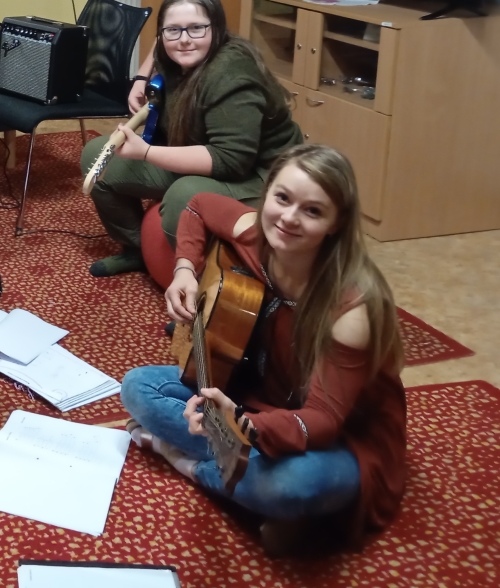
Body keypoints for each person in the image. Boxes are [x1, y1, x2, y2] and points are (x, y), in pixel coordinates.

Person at [120, 144, 406, 550]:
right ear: (267, 193)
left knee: (292, 484)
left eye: (312, 211)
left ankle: (188, 463)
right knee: (137, 386)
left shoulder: (352, 307)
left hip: (338, 437)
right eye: (282, 198)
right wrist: (184, 269)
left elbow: (324, 419)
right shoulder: (254, 231)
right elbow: (198, 206)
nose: (288, 218)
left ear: (337, 223)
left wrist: (243, 426)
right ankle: (243, 480)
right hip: (250, 391)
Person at [81, 0, 301, 277]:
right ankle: (139, 250)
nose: (184, 40)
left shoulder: (232, 73)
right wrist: (140, 79)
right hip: (205, 150)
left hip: (262, 174)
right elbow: (162, 43)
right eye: (173, 30)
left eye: (196, 28)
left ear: (216, 29)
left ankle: (208, 284)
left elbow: (230, 160)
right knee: (97, 156)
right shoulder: (175, 48)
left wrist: (146, 152)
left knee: (184, 197)